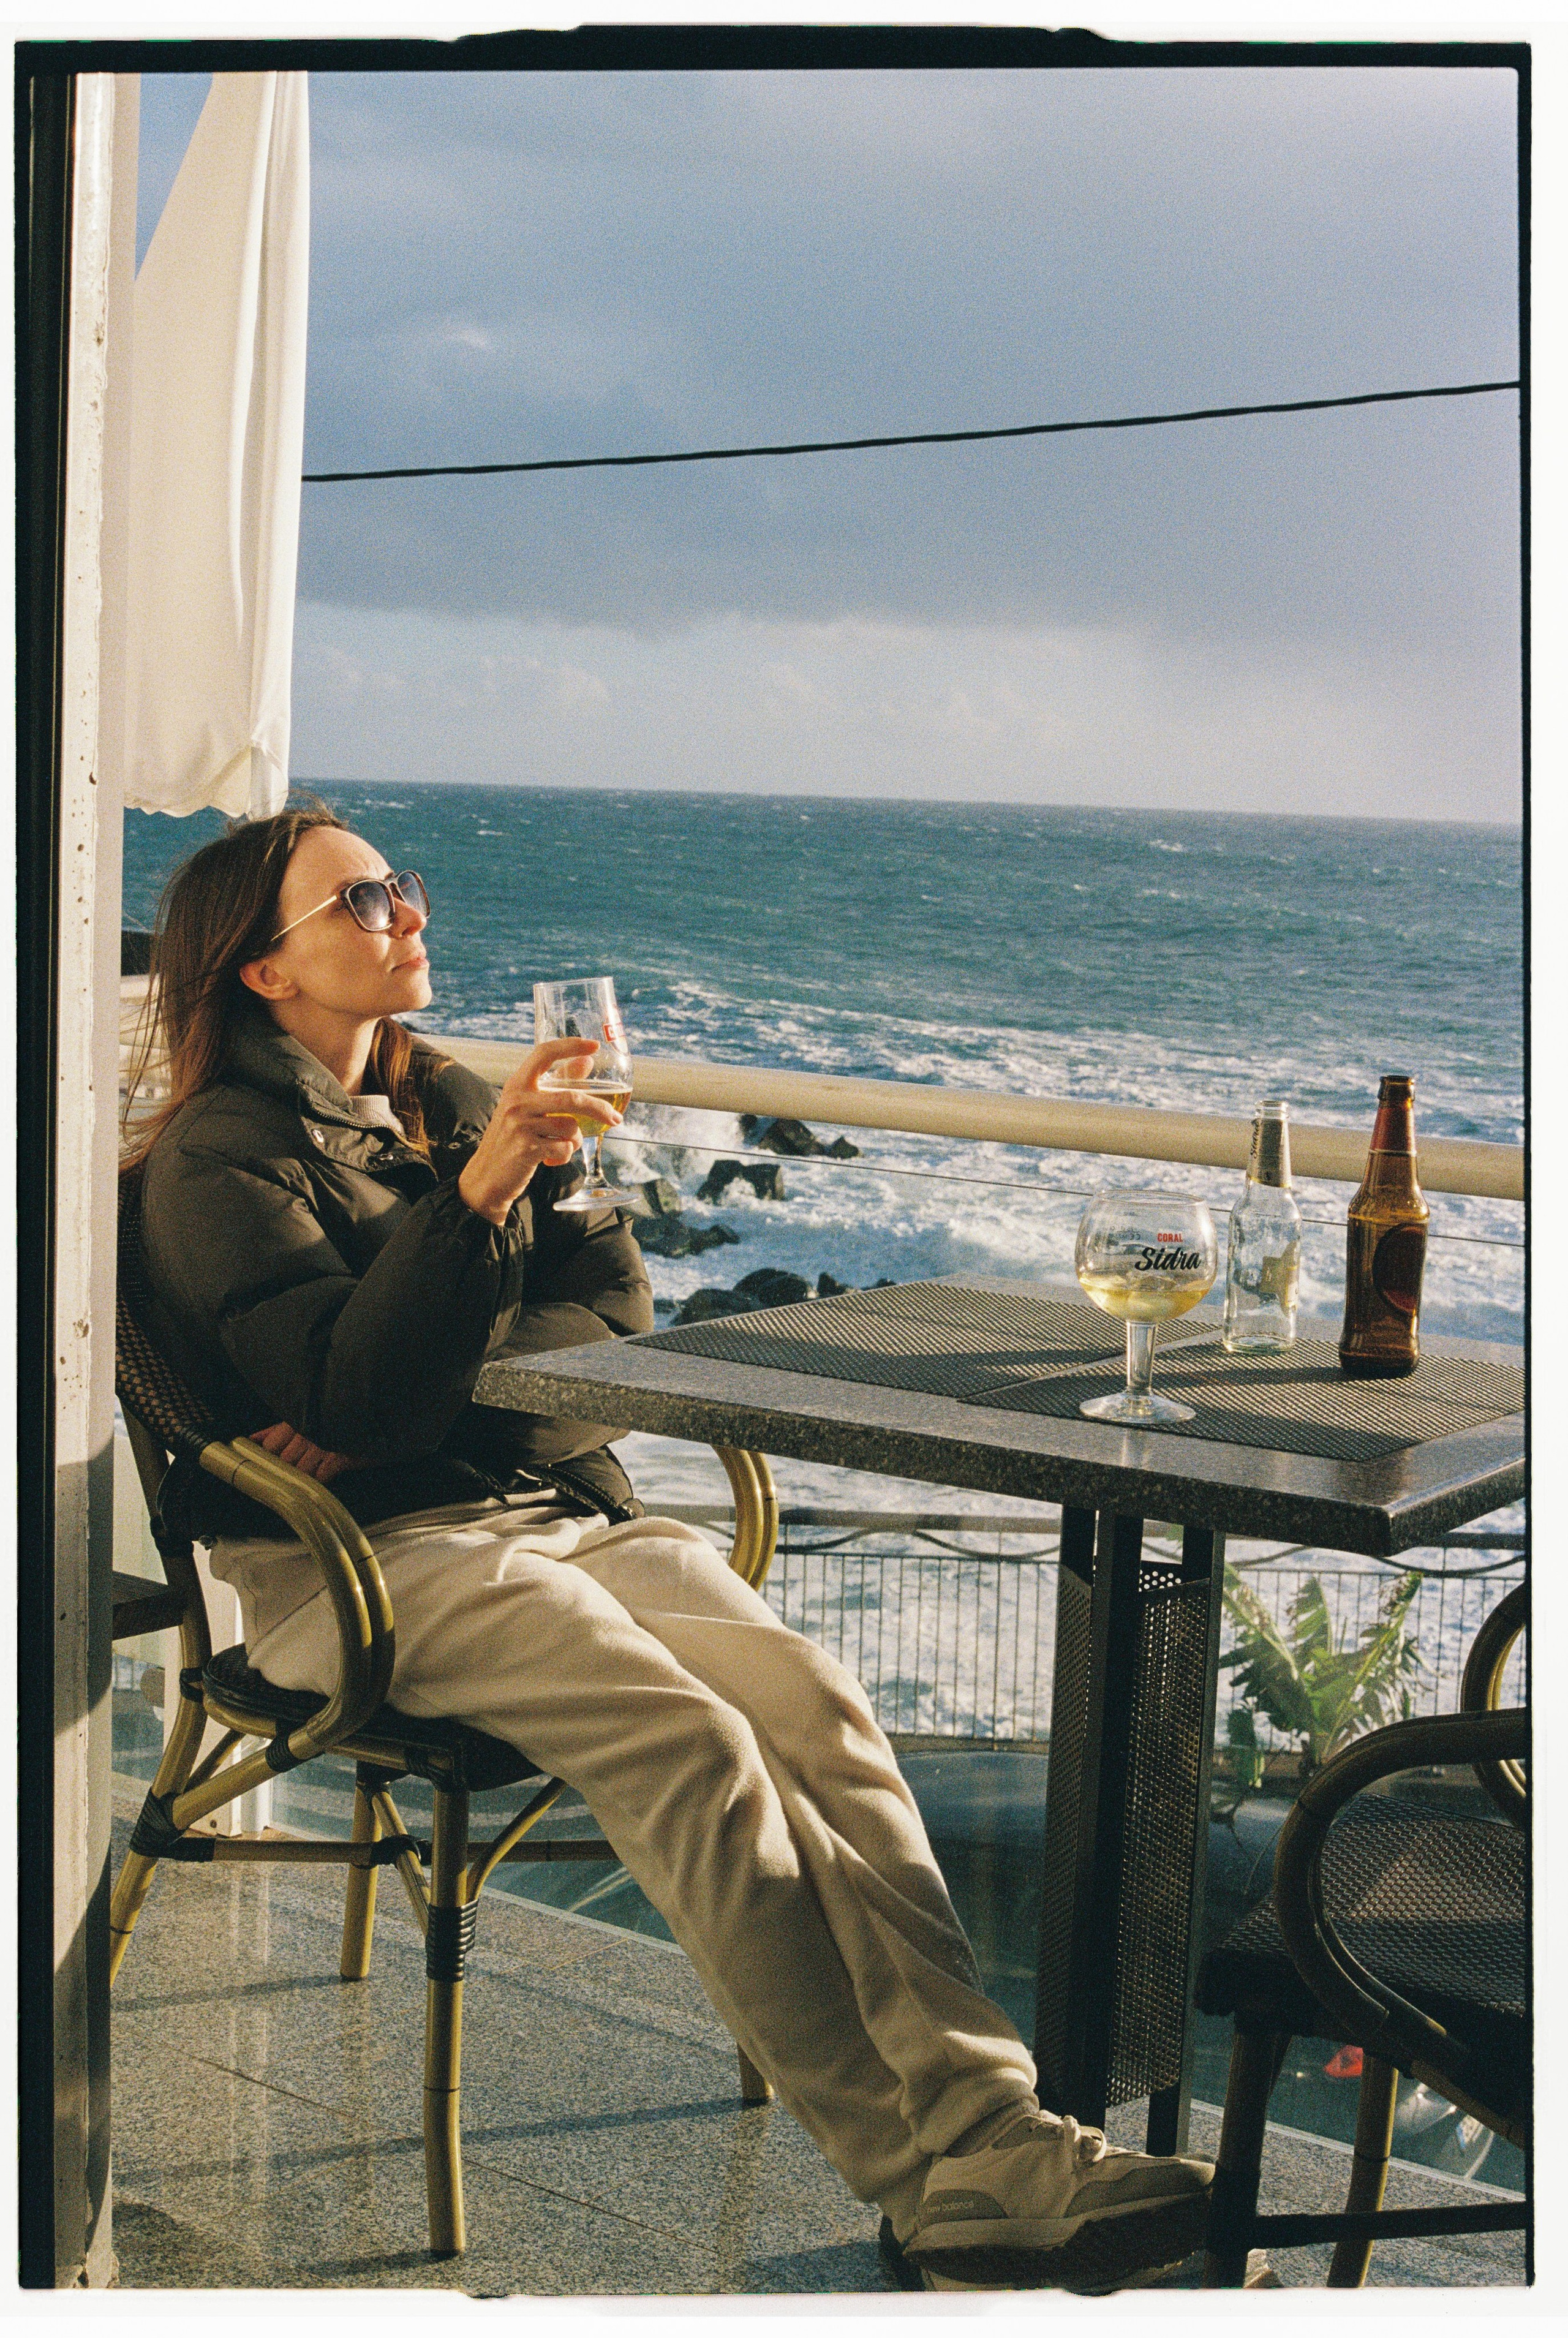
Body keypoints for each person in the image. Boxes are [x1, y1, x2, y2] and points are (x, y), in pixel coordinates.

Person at [125, 804, 1213, 2291]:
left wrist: (426, 1385)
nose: (406, 909)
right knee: (690, 1741)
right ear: (264, 971)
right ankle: (923, 2191)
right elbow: (351, 1400)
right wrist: (480, 1208)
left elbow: (613, 1330)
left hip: (541, 1512)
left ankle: (996, 2131)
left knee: (809, 1701)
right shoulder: (222, 1161)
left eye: (403, 883)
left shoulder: (448, 1094)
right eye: (363, 898)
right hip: (352, 1573)